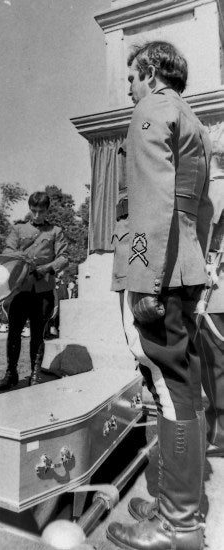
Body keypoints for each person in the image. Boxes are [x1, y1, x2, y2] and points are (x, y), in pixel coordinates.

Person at [106, 42, 212, 550]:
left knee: (171, 391)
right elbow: (203, 207)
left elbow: (151, 204)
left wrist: (145, 279)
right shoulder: (191, 118)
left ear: (149, 71)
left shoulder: (151, 109)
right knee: (182, 387)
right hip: (185, 266)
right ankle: (177, 501)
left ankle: (178, 525)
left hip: (159, 273)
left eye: (131, 76)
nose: (127, 87)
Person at [0, 191, 68, 390]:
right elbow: (7, 252)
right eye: (34, 211)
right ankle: (11, 373)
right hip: (19, 290)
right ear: (29, 209)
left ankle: (35, 375)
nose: (37, 215)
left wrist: (46, 268)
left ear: (47, 210)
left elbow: (63, 258)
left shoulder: (56, 231)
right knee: (14, 334)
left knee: (38, 334)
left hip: (43, 289)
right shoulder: (18, 229)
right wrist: (21, 260)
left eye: (41, 211)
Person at [197, 124, 224, 453]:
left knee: (214, 363)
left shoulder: (212, 193)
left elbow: (203, 244)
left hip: (213, 292)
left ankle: (219, 433)